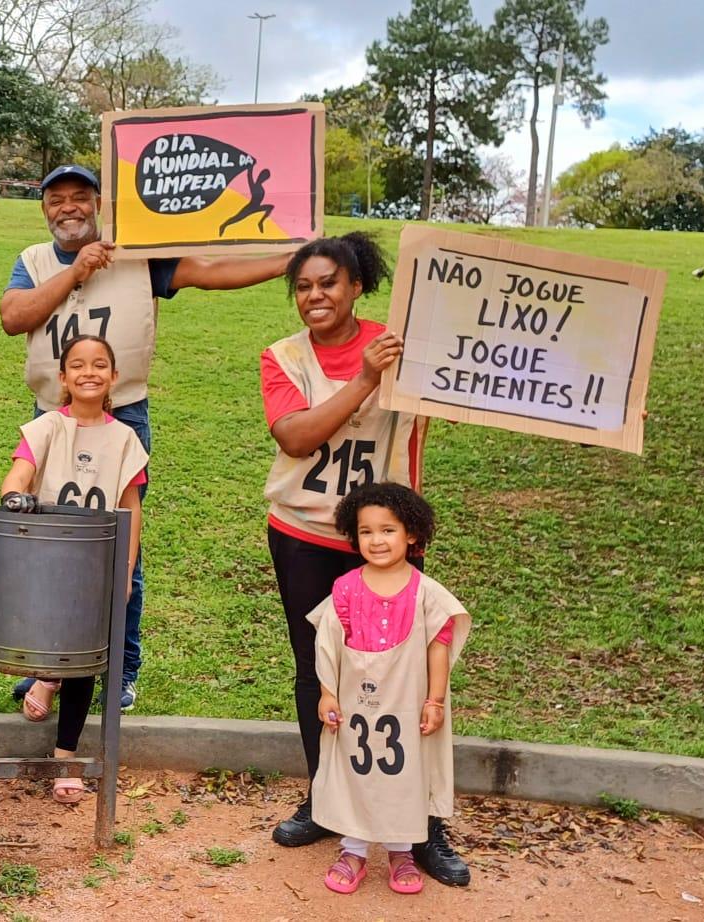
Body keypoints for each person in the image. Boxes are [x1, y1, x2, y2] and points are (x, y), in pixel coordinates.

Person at [0, 164, 288, 712]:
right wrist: (75, 272)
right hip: (51, 421)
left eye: (80, 198)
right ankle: (54, 661)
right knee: (51, 548)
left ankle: (121, 666)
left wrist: (288, 261)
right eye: (57, 199)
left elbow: (208, 270)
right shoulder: (33, 262)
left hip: (122, 418)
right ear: (44, 209)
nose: (69, 208)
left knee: (119, 547)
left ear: (99, 203)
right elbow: (14, 317)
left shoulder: (137, 256)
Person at [260, 232, 468, 886]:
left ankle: (424, 829)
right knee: (315, 673)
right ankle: (327, 802)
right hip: (301, 532)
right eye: (303, 286)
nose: (314, 295)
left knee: (409, 684)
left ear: (355, 287)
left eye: (328, 283)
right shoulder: (283, 357)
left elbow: (474, 385)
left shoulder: (398, 342)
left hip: (384, 542)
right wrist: (364, 379)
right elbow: (294, 436)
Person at [0, 335, 145, 804]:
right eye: (77, 365)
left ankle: (67, 758)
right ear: (62, 377)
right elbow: (19, 474)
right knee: (45, 636)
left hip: (94, 564)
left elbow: (130, 506)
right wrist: (14, 496)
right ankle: (46, 676)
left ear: (114, 377)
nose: (89, 372)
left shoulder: (125, 438)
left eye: (100, 364)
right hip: (46, 559)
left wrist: (126, 567)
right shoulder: (45, 429)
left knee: (83, 658)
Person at [307, 482, 470, 895]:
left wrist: (435, 700)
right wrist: (328, 692)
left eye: (388, 530)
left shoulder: (427, 593)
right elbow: (328, 645)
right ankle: (353, 849)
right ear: (353, 535)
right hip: (354, 705)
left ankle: (402, 851)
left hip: (407, 703)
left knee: (405, 774)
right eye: (366, 531)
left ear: (412, 533)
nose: (376, 540)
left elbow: (439, 647)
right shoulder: (345, 589)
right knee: (353, 772)